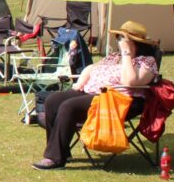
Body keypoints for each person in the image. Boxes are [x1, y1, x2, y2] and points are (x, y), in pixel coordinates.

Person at [32, 20, 159, 170]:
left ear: (135, 43)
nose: (119, 42)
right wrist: (79, 83)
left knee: (68, 107)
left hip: (118, 100)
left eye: (122, 39)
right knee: (52, 101)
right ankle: (62, 151)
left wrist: (127, 54)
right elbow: (92, 67)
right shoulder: (114, 57)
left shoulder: (146, 61)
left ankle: (54, 159)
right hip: (91, 92)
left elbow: (129, 81)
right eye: (119, 38)